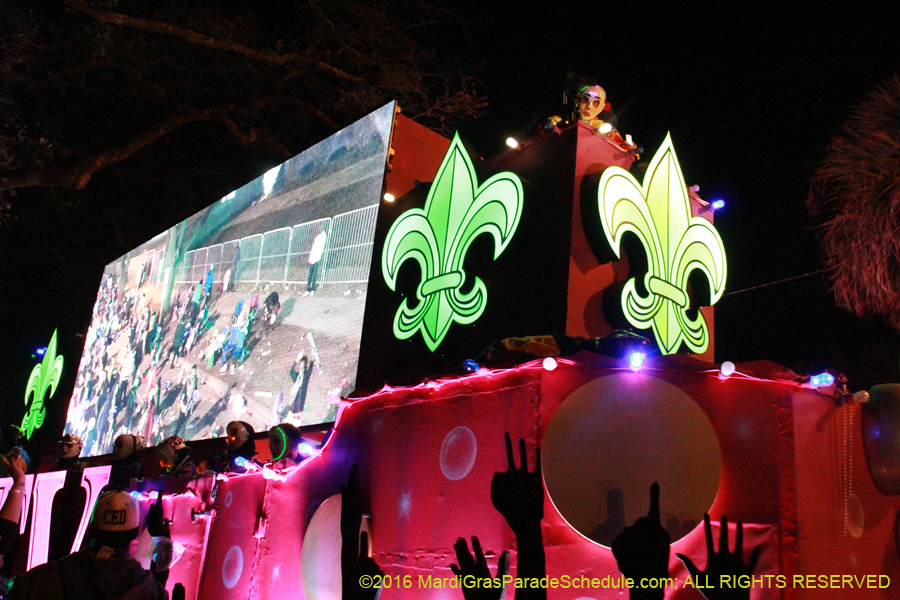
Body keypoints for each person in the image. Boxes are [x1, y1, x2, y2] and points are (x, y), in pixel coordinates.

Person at [9, 491, 167, 600]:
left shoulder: (38, 580)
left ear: (91, 530)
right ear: (135, 534)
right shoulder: (150, 591)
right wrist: (163, 542)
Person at [306, 229, 327, 295]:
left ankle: (312, 288)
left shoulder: (322, 237)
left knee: (314, 274)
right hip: (313, 257)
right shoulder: (318, 237)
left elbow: (320, 248)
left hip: (316, 257)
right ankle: (308, 289)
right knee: (310, 274)